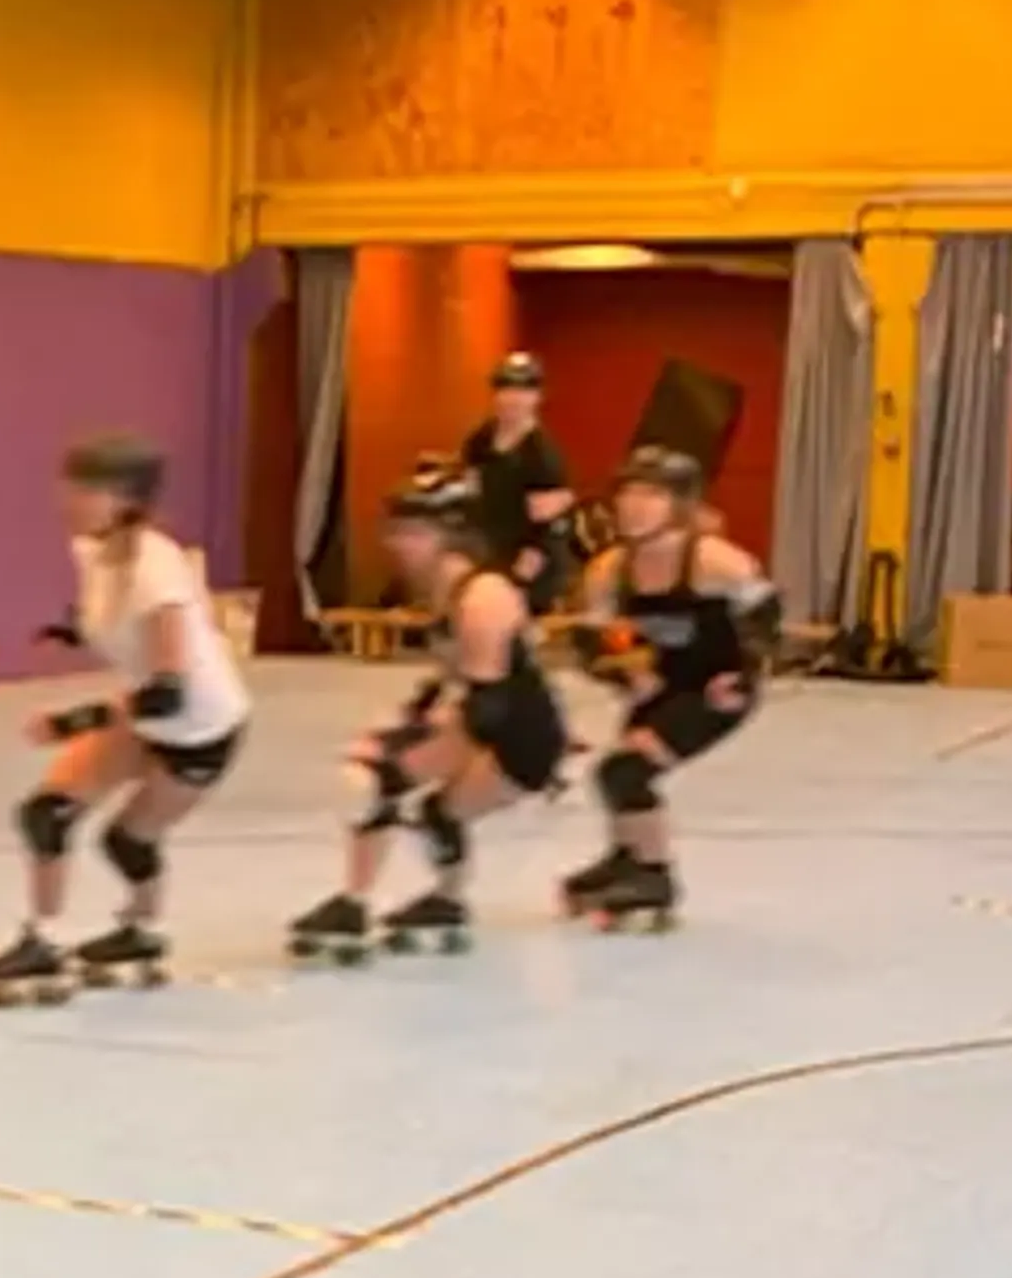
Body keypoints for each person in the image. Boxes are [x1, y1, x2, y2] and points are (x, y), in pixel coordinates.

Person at [0, 432, 255, 1005]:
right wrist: (73, 631)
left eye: (85, 490)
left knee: (128, 839)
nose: (68, 500)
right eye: (70, 486)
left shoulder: (159, 571)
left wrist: (73, 721)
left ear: (124, 500)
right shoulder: (93, 548)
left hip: (202, 726)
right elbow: (109, 617)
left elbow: (167, 694)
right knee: (47, 814)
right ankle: (43, 940)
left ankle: (142, 931)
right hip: (150, 710)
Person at [291, 456, 574, 962]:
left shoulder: (483, 595)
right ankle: (445, 900)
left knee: (377, 783)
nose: (397, 542)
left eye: (413, 531)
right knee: (433, 810)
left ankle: (354, 906)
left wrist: (410, 744)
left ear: (451, 534)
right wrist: (414, 716)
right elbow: (457, 674)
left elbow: (488, 705)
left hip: (521, 734)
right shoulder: (445, 589)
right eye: (396, 529)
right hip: (503, 721)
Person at [558, 444, 778, 926]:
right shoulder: (611, 569)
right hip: (660, 684)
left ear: (679, 504)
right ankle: (627, 855)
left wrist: (745, 672)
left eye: (652, 495)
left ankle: (655, 874)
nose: (635, 505)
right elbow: (591, 641)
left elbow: (764, 618)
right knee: (613, 775)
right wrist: (624, 670)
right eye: (629, 493)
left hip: (716, 689)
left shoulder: (712, 560)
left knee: (626, 772)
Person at [460, 352, 581, 612]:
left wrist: (517, 581)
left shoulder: (542, 455)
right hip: (490, 553)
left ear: (537, 397)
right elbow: (470, 499)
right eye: (506, 389)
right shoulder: (479, 442)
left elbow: (547, 531)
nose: (513, 399)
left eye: (524, 390)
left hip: (530, 566)